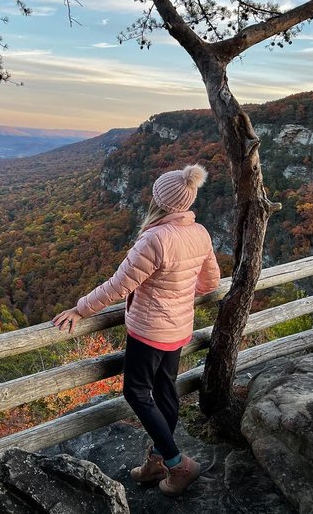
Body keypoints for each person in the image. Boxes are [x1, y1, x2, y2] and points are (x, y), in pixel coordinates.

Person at [52, 164, 220, 497]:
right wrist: (179, 294)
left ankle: (177, 464)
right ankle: (157, 462)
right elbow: (210, 282)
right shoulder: (199, 233)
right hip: (179, 328)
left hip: (150, 331)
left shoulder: (156, 239)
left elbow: (117, 287)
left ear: (160, 201)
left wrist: (79, 309)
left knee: (137, 393)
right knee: (165, 390)